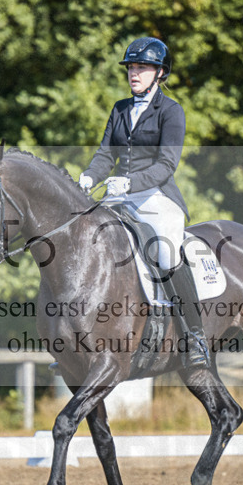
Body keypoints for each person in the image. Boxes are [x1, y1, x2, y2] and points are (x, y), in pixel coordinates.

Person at [78, 37, 210, 369]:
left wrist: (132, 182)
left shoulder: (171, 111)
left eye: (142, 68)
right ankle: (80, 339)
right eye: (131, 68)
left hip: (156, 196)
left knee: (166, 250)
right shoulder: (120, 108)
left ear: (160, 72)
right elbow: (105, 153)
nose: (134, 74)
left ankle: (195, 336)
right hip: (118, 194)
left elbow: (167, 164)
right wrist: (90, 176)